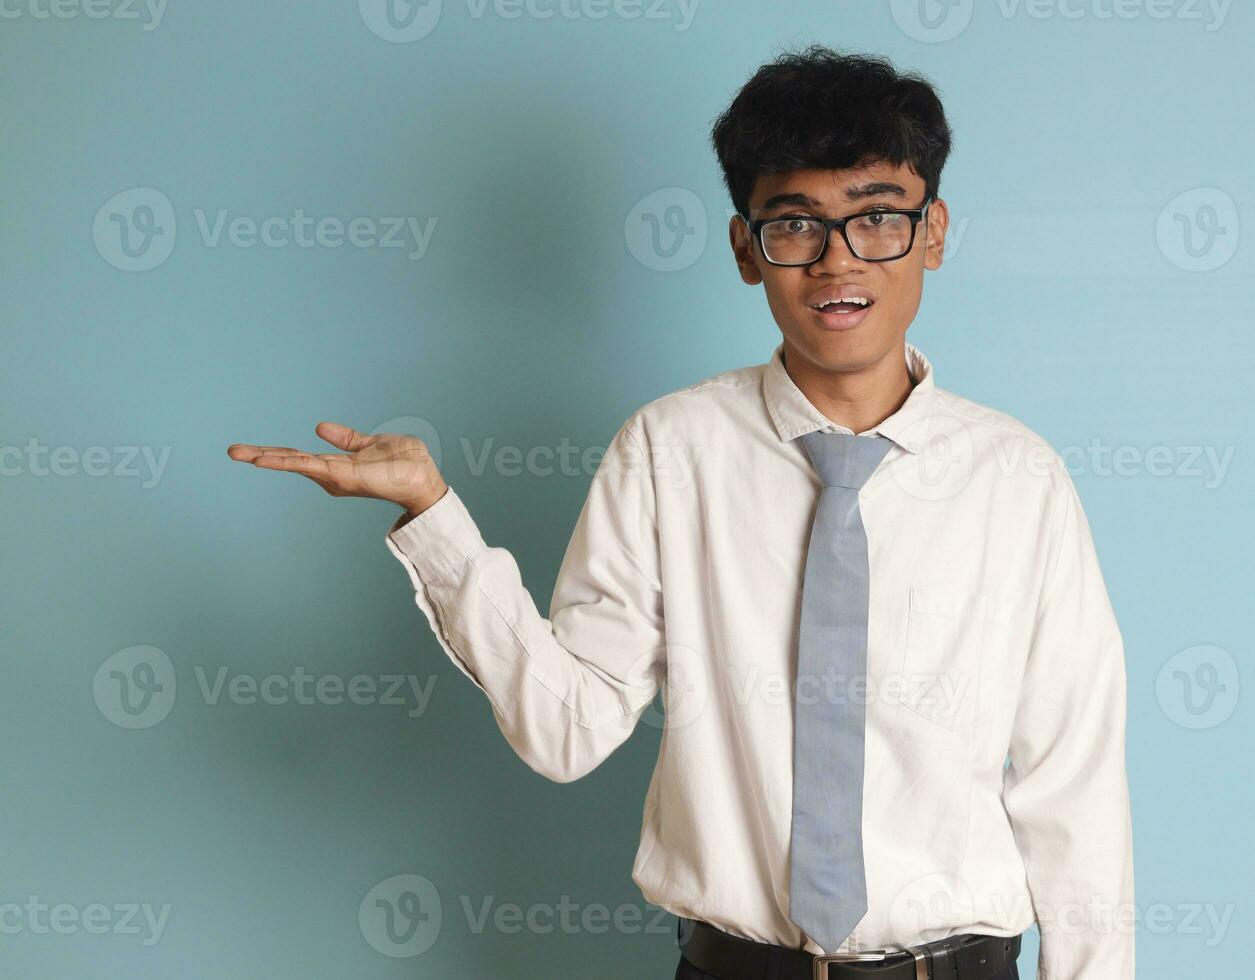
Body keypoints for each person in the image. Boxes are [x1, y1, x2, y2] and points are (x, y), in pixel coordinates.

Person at [228, 44, 1134, 980]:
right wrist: (434, 516)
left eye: (876, 220)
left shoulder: (1018, 482)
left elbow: (1077, 794)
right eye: (796, 225)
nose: (836, 261)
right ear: (747, 249)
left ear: (933, 231)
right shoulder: (669, 453)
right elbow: (566, 726)